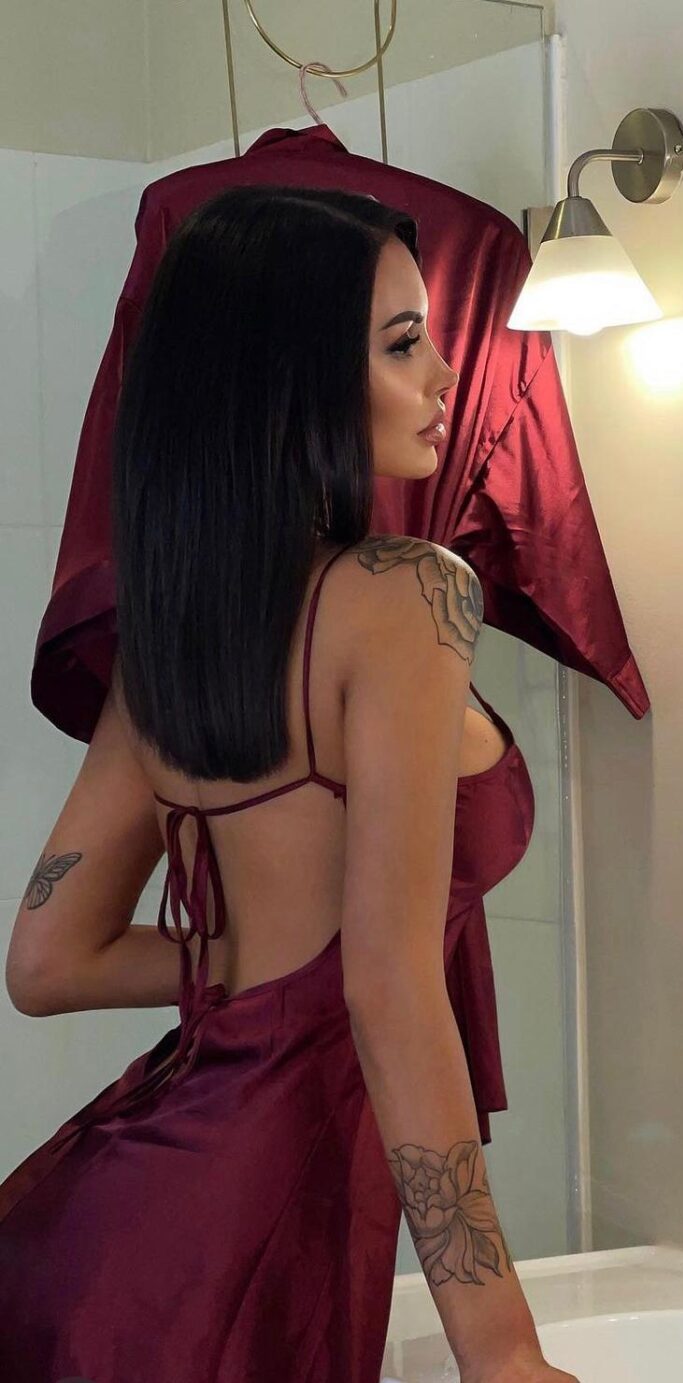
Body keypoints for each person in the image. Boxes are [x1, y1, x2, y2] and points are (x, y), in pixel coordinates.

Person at [0, 186, 576, 1383]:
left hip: (122, 1229)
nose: (444, 376)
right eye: (402, 344)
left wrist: (259, 971)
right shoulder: (411, 592)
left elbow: (47, 961)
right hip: (244, 1244)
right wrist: (505, 1354)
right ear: (288, 380)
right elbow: (390, 988)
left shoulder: (167, 645)